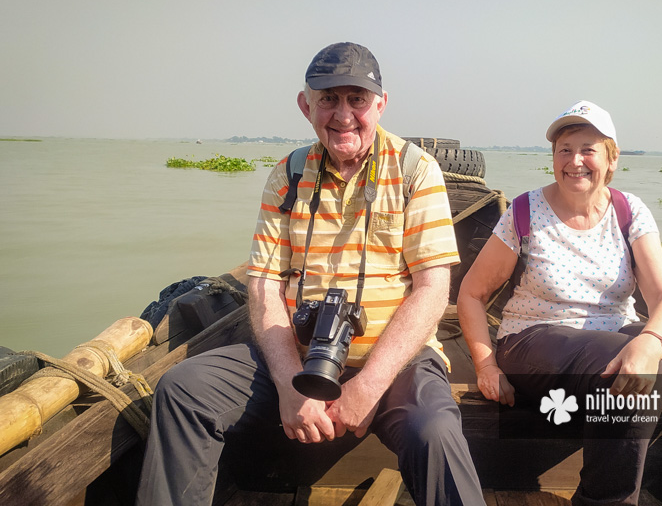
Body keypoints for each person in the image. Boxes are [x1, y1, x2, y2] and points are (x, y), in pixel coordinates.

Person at [136, 42, 485, 506]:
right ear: (306, 106)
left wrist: (368, 384)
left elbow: (431, 288)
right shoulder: (289, 174)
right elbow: (263, 283)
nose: (343, 115)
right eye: (328, 99)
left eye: (357, 99)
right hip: (299, 353)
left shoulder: (415, 171)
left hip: (394, 360)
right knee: (182, 390)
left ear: (380, 104)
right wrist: (288, 383)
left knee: (436, 430)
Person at [457, 100, 662, 506]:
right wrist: (486, 365)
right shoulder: (525, 212)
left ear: (611, 158)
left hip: (616, 334)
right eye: (564, 150)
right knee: (628, 378)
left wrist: (651, 342)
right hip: (531, 340)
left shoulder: (628, 211)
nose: (575, 161)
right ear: (553, 158)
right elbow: (471, 294)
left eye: (588, 149)